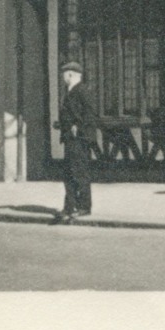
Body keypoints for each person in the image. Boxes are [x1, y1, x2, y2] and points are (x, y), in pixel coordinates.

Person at [52, 60, 98, 224]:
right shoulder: (71, 91)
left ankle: (84, 206)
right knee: (69, 174)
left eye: (64, 73)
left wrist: (77, 126)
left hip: (79, 140)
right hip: (70, 139)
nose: (63, 76)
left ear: (70, 74)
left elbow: (90, 115)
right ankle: (70, 207)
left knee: (79, 173)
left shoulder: (82, 90)